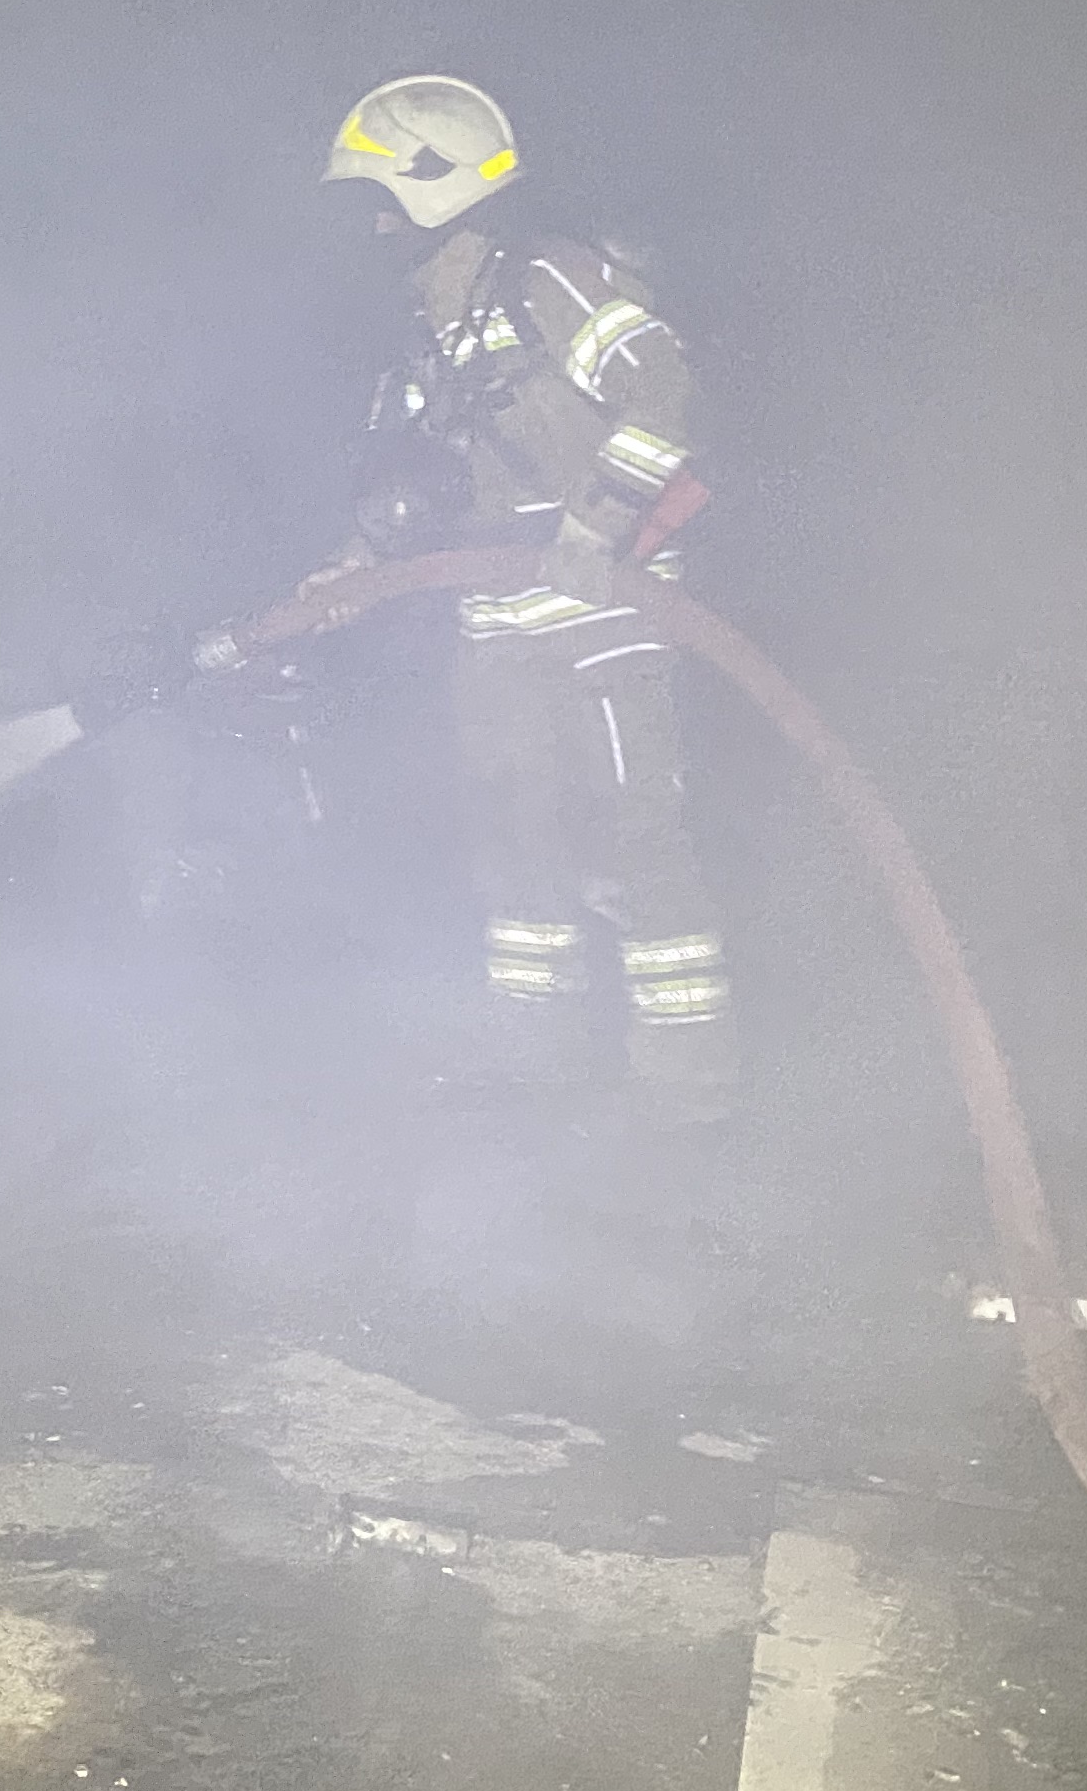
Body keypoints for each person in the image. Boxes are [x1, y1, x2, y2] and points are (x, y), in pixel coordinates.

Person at [218, 73, 735, 1119]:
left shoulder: (551, 281)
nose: (367, 226)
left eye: (379, 199)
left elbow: (662, 391)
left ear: (434, 189)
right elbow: (409, 482)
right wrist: (349, 566)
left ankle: (688, 1084)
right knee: (513, 845)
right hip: (495, 620)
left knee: (637, 838)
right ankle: (533, 1067)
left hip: (604, 614)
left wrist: (599, 521)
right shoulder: (429, 330)